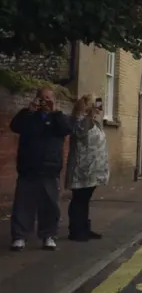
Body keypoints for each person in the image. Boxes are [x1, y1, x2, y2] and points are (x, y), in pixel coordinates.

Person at [10, 87, 72, 251]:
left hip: (50, 168)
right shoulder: (29, 116)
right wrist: (28, 110)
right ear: (36, 99)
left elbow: (67, 130)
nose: (45, 101)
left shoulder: (59, 118)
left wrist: (55, 112)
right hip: (28, 167)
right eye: (42, 98)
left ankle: (48, 236)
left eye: (48, 98)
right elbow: (15, 126)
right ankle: (19, 237)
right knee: (23, 205)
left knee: (50, 206)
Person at [66, 94, 110, 241]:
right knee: (79, 199)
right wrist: (89, 115)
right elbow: (81, 134)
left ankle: (84, 228)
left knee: (85, 199)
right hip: (81, 169)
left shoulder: (94, 122)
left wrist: (95, 115)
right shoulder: (80, 121)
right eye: (94, 104)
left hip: (93, 169)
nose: (98, 107)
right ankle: (75, 231)